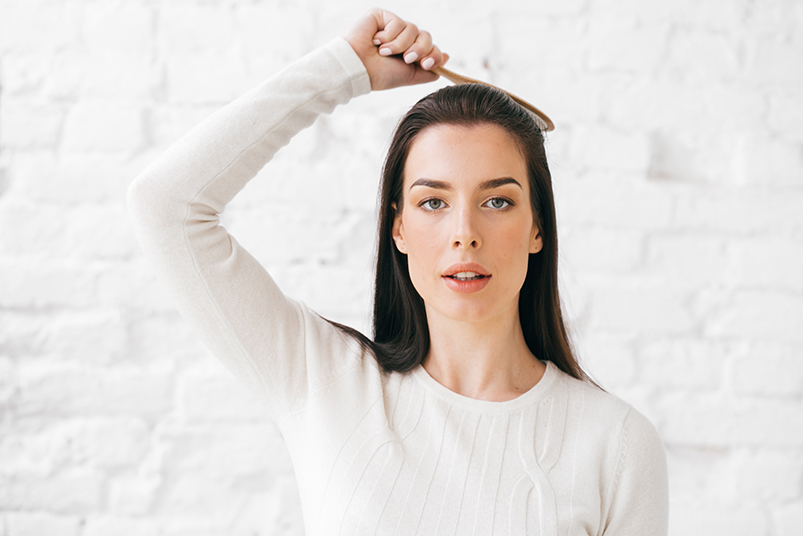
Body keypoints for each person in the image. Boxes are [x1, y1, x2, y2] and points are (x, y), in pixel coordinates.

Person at [127, 8, 669, 535]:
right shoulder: (327, 383)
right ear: (399, 229)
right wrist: (344, 70)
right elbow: (166, 204)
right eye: (433, 202)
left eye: (498, 202)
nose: (465, 233)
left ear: (537, 228)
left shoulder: (616, 446)